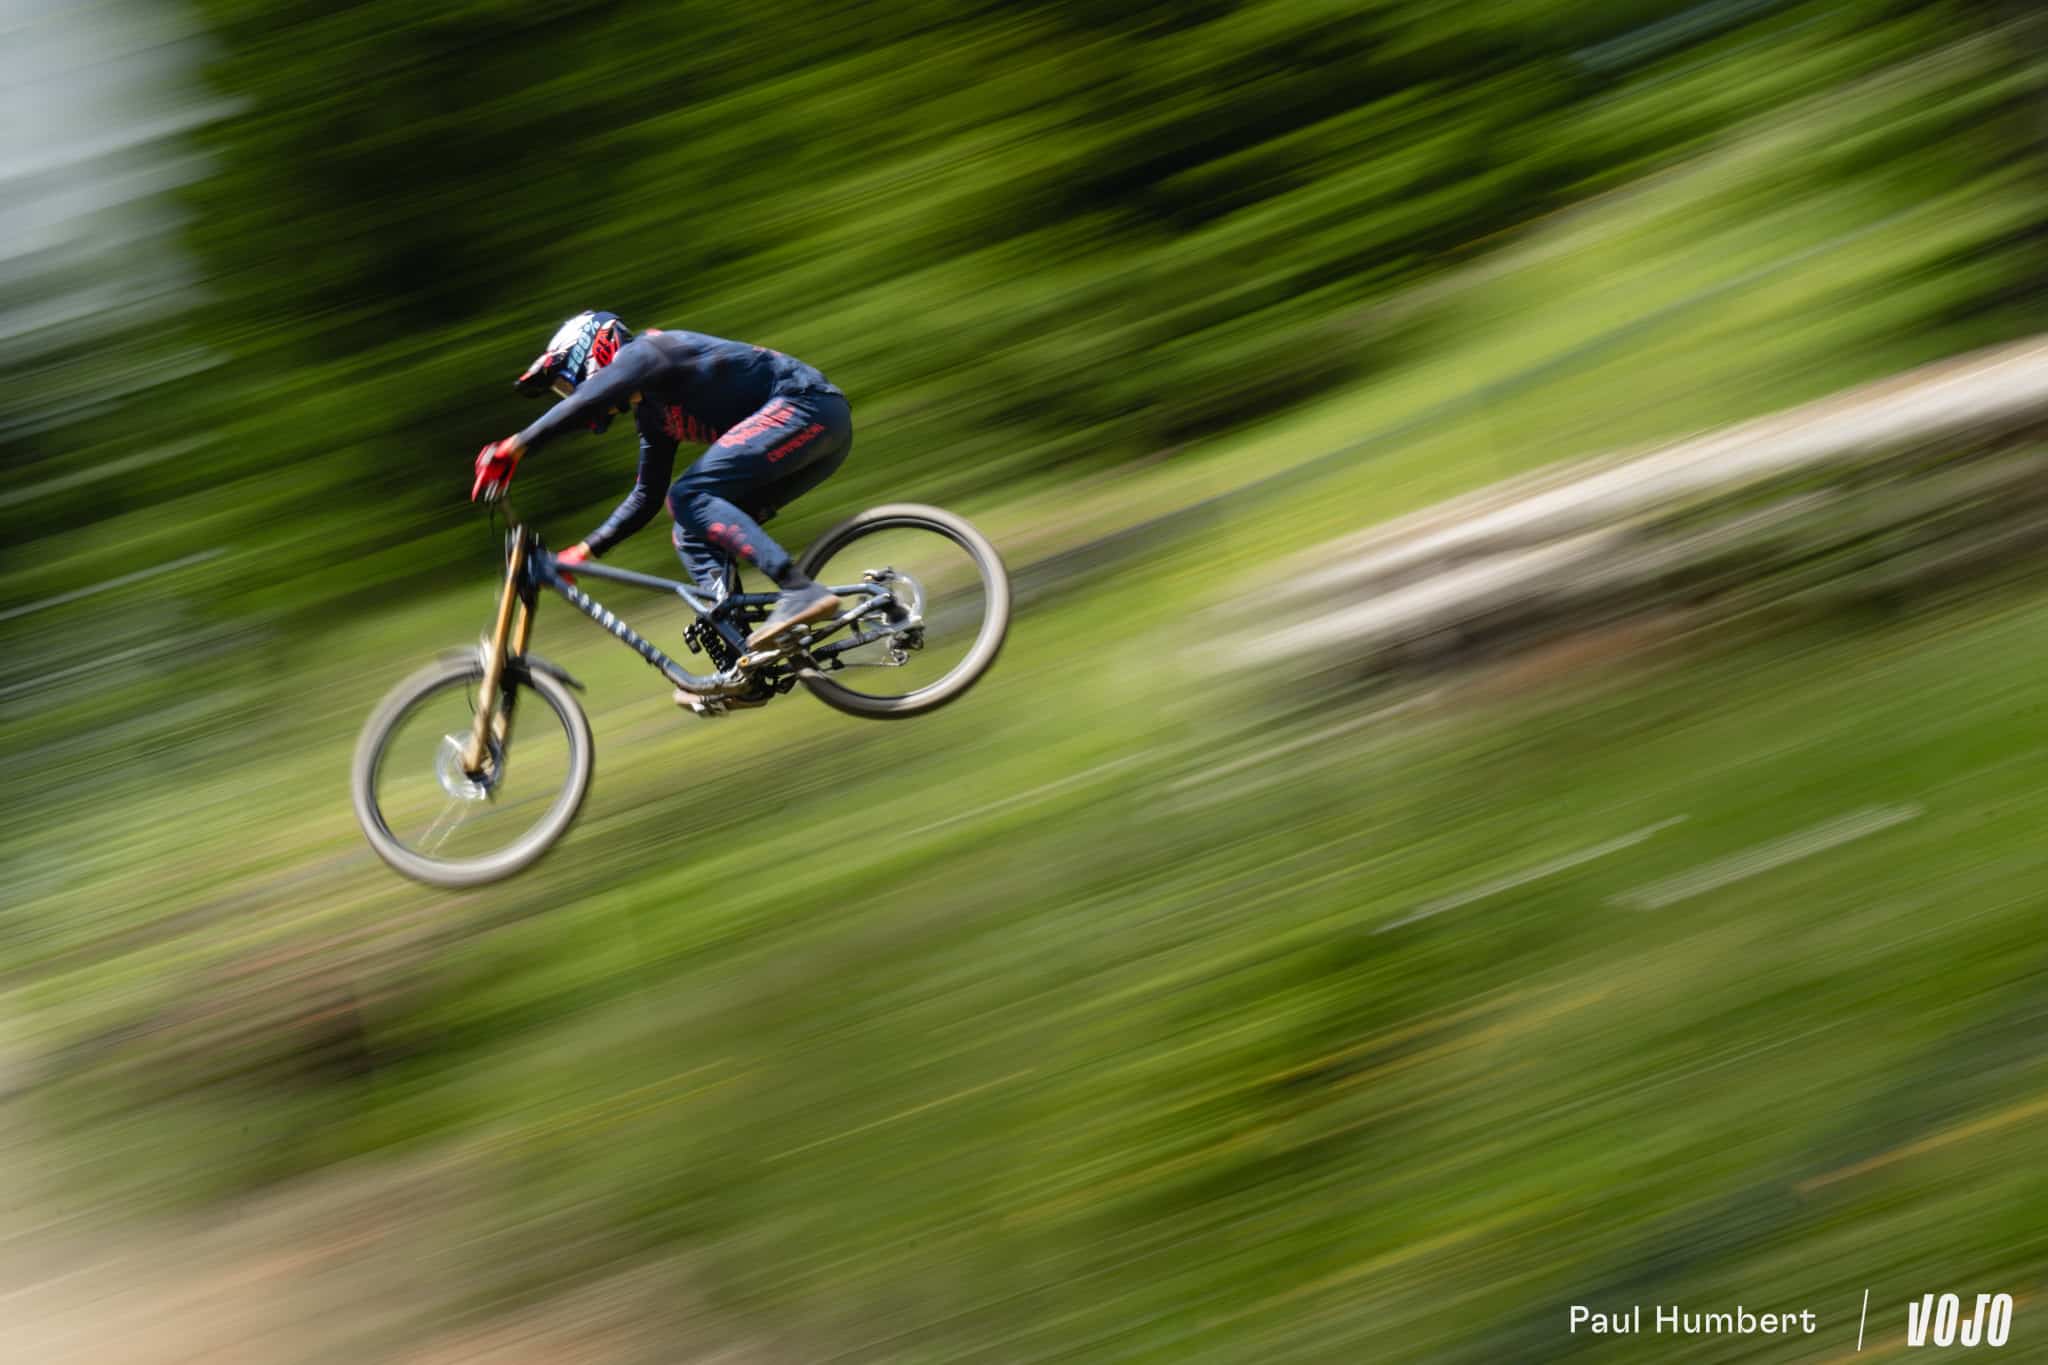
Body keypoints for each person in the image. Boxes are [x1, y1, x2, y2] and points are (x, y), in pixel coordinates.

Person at [470, 310, 853, 701]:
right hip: (814, 437)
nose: (570, 394)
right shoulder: (653, 414)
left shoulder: (649, 352)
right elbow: (646, 496)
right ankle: (744, 662)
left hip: (808, 408)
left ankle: (799, 589)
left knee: (689, 496)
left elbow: (590, 398)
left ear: (592, 349)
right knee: (690, 530)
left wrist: (516, 445)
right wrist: (584, 552)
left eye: (567, 382)